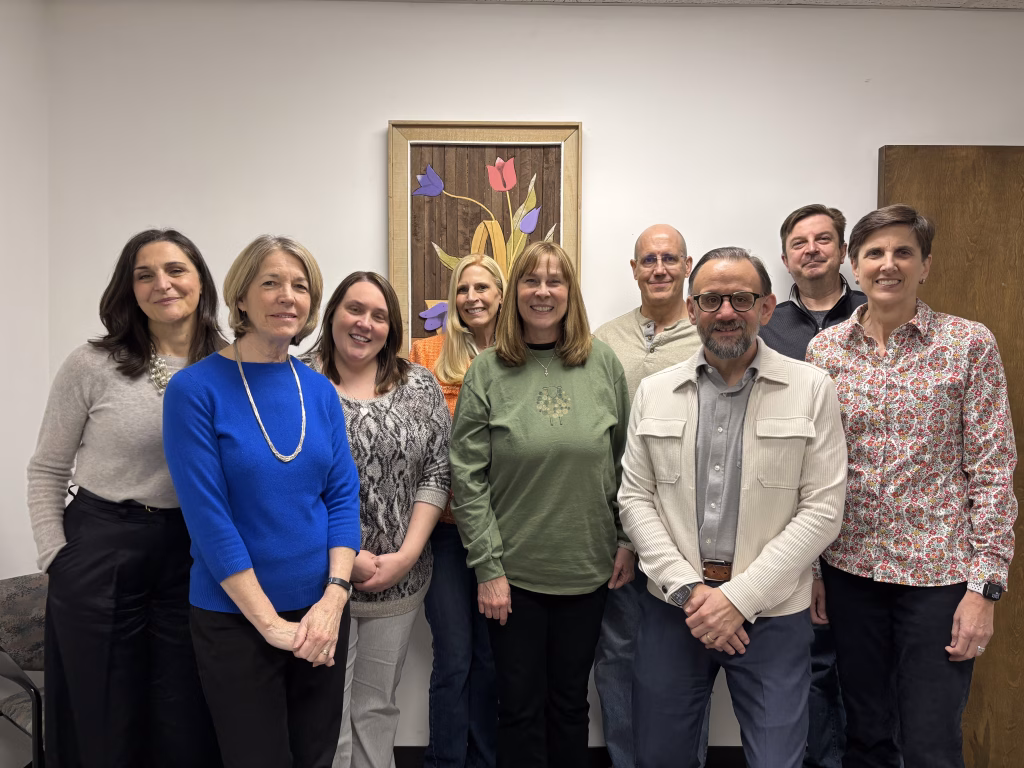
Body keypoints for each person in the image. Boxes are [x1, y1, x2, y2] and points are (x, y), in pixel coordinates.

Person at [806, 205, 1018, 768]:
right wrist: (812, 569)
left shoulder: (967, 344)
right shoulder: (825, 353)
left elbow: (994, 468)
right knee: (866, 733)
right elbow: (812, 470)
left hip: (940, 577)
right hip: (849, 571)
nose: (888, 265)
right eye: (874, 253)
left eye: (903, 252)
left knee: (930, 739)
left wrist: (985, 589)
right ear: (854, 266)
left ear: (926, 265)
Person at [620, 247, 847, 768]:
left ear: (766, 308)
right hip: (674, 608)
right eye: (711, 300)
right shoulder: (655, 392)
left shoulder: (811, 389)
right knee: (661, 757)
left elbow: (822, 510)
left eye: (741, 299)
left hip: (772, 612)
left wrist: (739, 599)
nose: (726, 311)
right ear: (693, 308)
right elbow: (635, 498)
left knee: (777, 760)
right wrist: (689, 591)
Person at [162, 235, 362, 768]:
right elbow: (209, 521)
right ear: (241, 297)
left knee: (315, 755)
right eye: (270, 282)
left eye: (300, 286)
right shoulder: (194, 389)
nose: (286, 296)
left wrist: (333, 600)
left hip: (320, 612)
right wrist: (271, 625)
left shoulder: (318, 390)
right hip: (235, 618)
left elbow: (343, 499)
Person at [27, 229, 222, 768]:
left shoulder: (231, 366)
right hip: (100, 546)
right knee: (101, 713)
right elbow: (46, 468)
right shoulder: (92, 364)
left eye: (176, 270)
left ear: (201, 281)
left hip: (194, 552)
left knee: (185, 711)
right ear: (129, 289)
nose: (163, 283)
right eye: (145, 274)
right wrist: (56, 558)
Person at [450, 241, 632, 768]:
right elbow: (468, 476)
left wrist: (625, 540)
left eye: (555, 281)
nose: (543, 292)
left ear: (570, 292)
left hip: (588, 569)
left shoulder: (604, 365)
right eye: (531, 281)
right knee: (520, 709)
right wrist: (487, 568)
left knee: (571, 705)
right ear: (516, 293)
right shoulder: (487, 371)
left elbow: (625, 464)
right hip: (512, 576)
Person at [306, 271, 451, 768]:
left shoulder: (419, 385)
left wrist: (406, 556)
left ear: (391, 327)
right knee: (325, 715)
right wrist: (345, 563)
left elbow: (437, 469)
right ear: (332, 315)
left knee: (376, 708)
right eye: (354, 309)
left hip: (399, 581)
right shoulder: (297, 380)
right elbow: (287, 485)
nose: (364, 323)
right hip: (320, 583)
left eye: (379, 315)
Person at [592, 223, 705, 768]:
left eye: (669, 259)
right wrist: (621, 535)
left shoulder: (714, 330)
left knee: (687, 663)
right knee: (615, 655)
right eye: (647, 260)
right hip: (617, 530)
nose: (658, 268)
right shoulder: (603, 339)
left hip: (691, 534)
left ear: (687, 266)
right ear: (633, 270)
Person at [759, 204, 866, 768]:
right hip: (801, 515)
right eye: (799, 243)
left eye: (824, 240)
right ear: (785, 260)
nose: (812, 250)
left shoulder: (874, 313)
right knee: (816, 664)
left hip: (874, 518)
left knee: (871, 667)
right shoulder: (769, 327)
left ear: (843, 251)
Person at [409, 254, 502, 768]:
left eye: (483, 287)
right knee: (455, 657)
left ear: (501, 294)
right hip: (444, 531)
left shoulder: (519, 354)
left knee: (492, 661)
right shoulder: (426, 354)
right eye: (463, 288)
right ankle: (445, 761)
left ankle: (487, 760)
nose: (473, 297)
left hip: (503, 531)